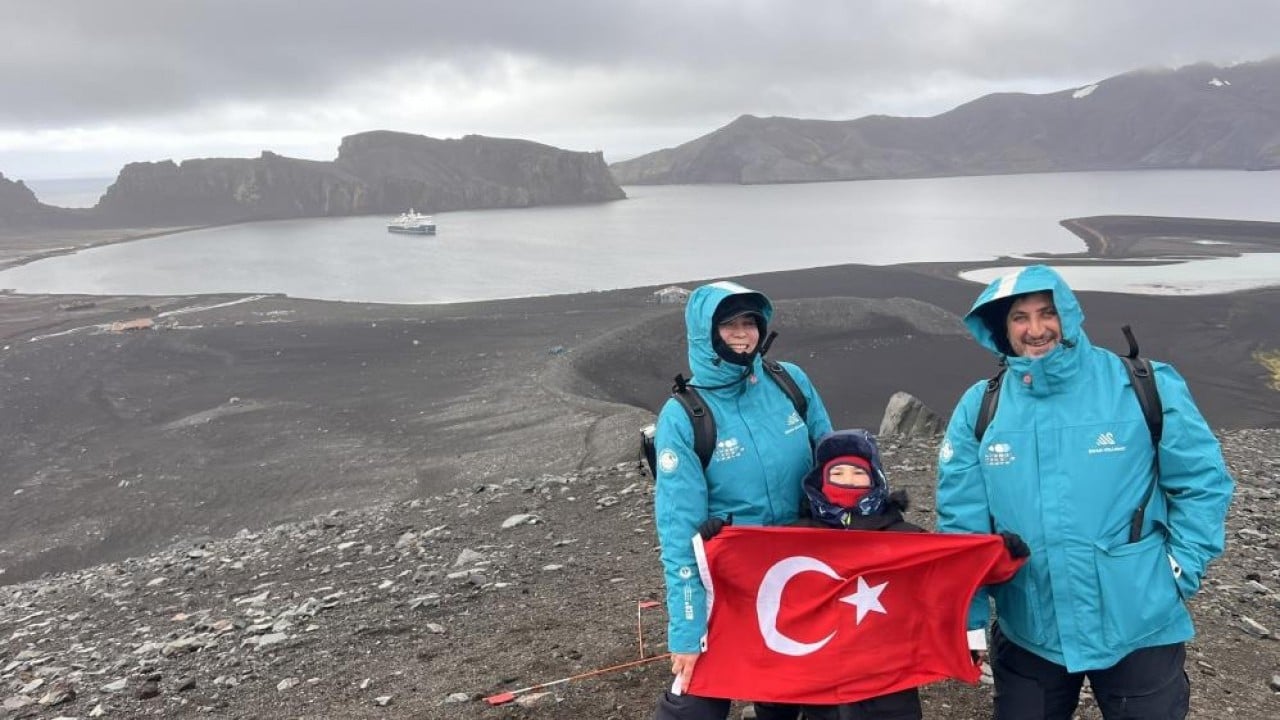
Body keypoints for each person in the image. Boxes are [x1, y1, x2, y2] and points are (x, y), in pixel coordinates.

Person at [935, 264, 1234, 720]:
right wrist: (969, 619)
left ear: (1068, 315)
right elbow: (963, 525)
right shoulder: (981, 406)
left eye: (1047, 312)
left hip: (1139, 620)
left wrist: (1179, 568)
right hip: (1030, 625)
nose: (1036, 329)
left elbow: (1202, 482)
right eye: (1019, 317)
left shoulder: (1141, 384)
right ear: (1001, 328)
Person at [652, 280, 833, 720]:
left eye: (749, 322)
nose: (742, 333)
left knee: (797, 696)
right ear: (705, 333)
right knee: (694, 703)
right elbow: (679, 534)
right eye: (728, 324)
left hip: (800, 574)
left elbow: (834, 463)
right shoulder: (684, 416)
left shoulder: (790, 383)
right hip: (728, 587)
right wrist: (687, 634)